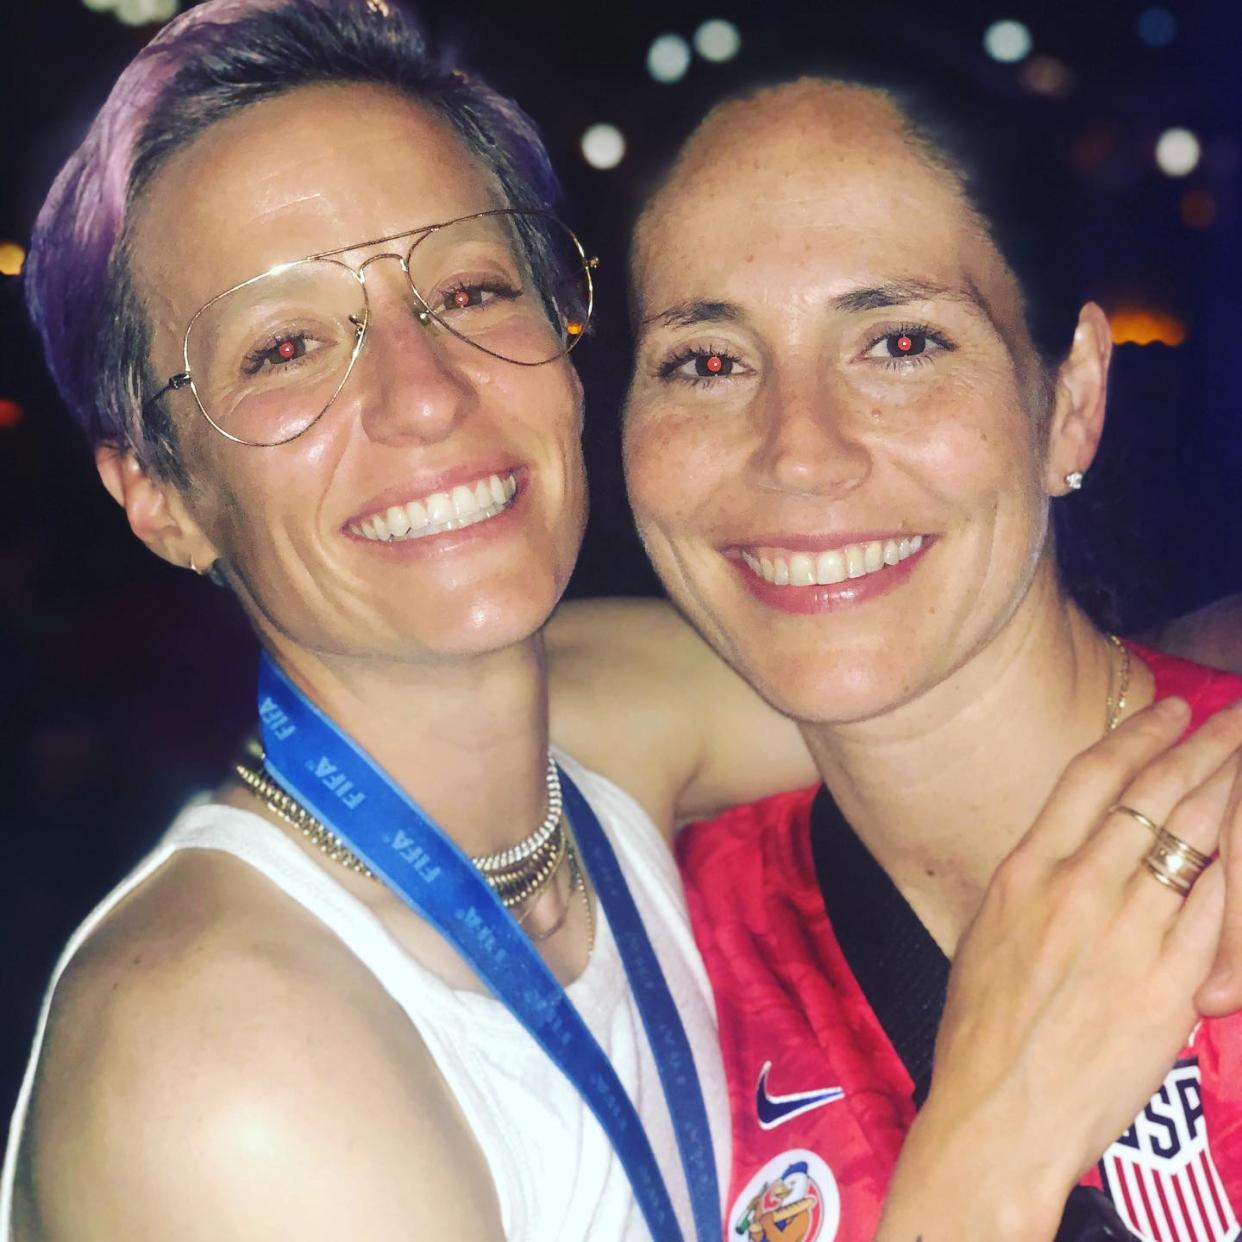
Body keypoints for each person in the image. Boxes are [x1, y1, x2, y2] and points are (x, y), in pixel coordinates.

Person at [4, 4, 1239, 1240]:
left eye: (471, 288)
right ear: (160, 497)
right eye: (283, 348)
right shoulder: (219, 1079)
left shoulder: (606, 763)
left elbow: (944, 657)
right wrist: (994, 1148)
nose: (423, 396)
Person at [621, 75, 1242, 1242]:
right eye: (707, 362)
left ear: (1071, 401)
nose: (797, 451)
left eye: (900, 343)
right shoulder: (645, 976)